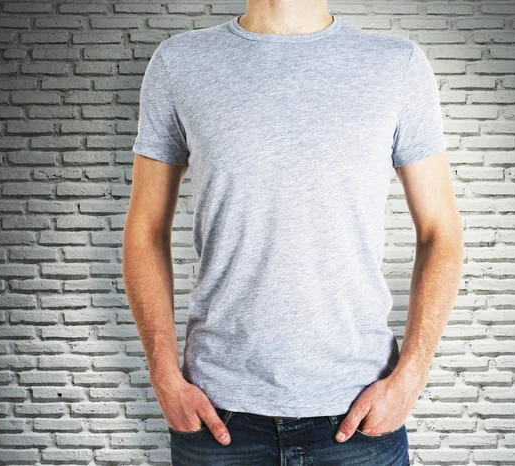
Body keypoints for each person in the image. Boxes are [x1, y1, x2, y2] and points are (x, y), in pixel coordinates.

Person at [122, 3, 464, 465]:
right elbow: (145, 229)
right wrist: (163, 375)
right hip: (218, 417)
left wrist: (411, 376)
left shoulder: (396, 65)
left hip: (359, 417)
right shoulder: (180, 62)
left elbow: (441, 230)